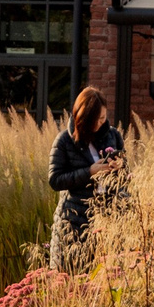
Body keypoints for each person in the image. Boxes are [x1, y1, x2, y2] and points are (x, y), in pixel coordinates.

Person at [46, 87, 125, 271]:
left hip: (106, 221)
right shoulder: (64, 140)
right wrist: (89, 171)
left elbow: (126, 175)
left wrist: (119, 167)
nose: (99, 123)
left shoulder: (113, 136)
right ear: (83, 117)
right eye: (95, 119)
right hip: (74, 223)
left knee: (106, 279)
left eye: (103, 118)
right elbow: (55, 179)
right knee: (72, 278)